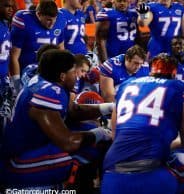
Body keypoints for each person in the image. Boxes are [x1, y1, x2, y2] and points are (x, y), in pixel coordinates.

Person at [0, 49, 114, 189]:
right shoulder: (48, 92)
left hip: (32, 145)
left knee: (91, 133)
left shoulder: (47, 80)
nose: (77, 77)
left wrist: (110, 107)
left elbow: (73, 111)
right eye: (73, 72)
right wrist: (101, 133)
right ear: (62, 76)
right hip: (17, 162)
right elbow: (68, 142)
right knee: (94, 145)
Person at [101, 53, 184, 194]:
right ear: (175, 73)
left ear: (150, 71)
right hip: (151, 177)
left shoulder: (126, 85)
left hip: (111, 176)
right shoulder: (182, 88)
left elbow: (115, 135)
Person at [10, 0, 66, 94]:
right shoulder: (24, 19)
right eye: (48, 19)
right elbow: (14, 56)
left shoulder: (61, 19)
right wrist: (16, 83)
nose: (52, 23)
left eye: (54, 19)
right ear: (38, 14)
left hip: (50, 73)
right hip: (28, 73)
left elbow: (61, 49)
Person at [0, 0, 13, 136]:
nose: (10, 9)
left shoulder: (5, 25)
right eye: (6, 6)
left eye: (11, 6)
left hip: (4, 78)